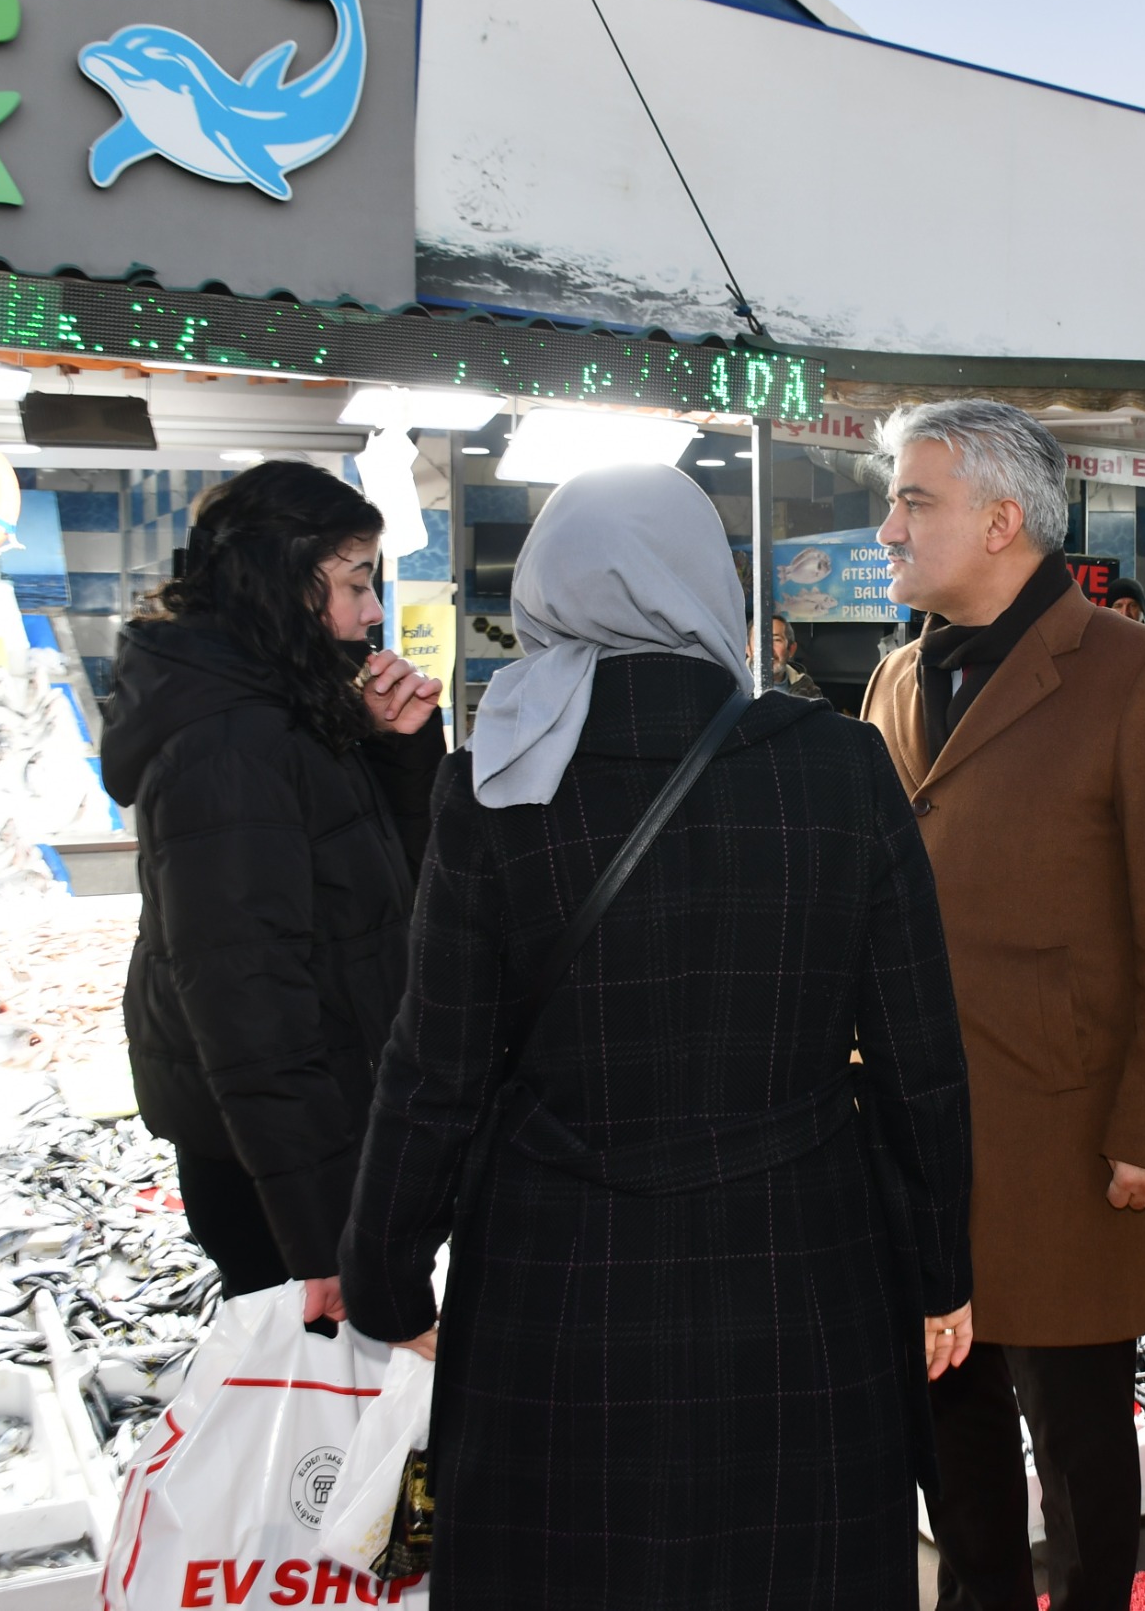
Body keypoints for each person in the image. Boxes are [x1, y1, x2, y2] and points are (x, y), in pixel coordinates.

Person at [339, 464, 974, 1610]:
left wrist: (389, 1273)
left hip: (556, 1269)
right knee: (792, 1563)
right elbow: (918, 1054)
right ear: (705, 582)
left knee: (568, 1562)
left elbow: (433, 1064)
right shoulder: (838, 767)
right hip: (798, 1263)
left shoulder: (496, 778)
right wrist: (939, 1267)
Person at [860, 400, 1145, 1611]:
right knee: (946, 1426)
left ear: (1002, 520)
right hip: (915, 1126)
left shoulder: (1143, 676)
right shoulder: (897, 674)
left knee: (1075, 1441)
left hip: (1065, 1136)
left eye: (915, 501)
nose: (889, 526)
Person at [102, 461, 446, 1320]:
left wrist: (398, 752)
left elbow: (383, 894)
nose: (372, 611)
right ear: (282, 580)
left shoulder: (289, 708)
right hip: (280, 1168)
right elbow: (247, 997)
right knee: (308, 1430)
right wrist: (323, 1237)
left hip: (324, 1128)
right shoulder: (228, 742)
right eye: (356, 583)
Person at [761, 612, 831, 698]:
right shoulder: (740, 689)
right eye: (760, 640)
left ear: (791, 649)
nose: (768, 649)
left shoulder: (808, 691)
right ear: (747, 648)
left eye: (776, 640)